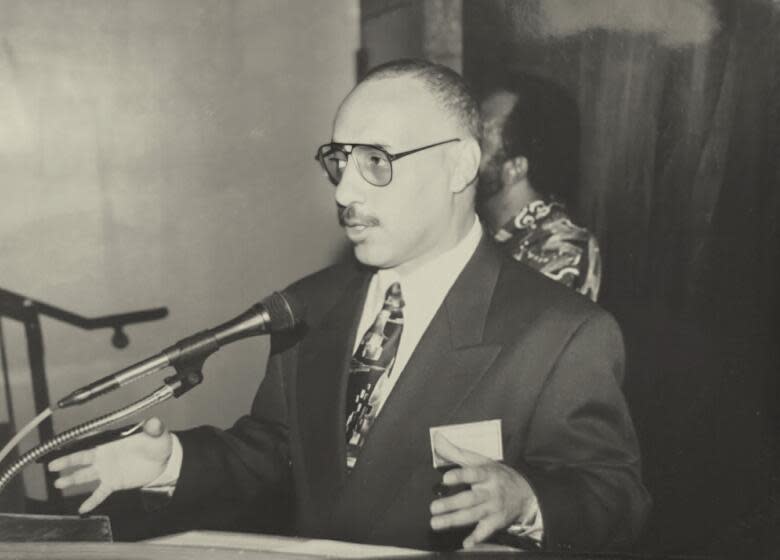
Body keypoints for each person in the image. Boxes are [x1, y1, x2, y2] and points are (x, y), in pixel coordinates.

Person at [49, 59, 649, 551]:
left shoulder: (561, 331)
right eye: (339, 160)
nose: (344, 191)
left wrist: (526, 500)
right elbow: (275, 454)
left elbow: (614, 500)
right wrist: (172, 462)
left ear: (460, 164)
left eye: (376, 162)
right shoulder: (311, 305)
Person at [478, 74, 601, 301]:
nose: (463, 151)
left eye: (481, 136)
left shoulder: (563, 247)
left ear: (516, 168)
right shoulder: (478, 230)